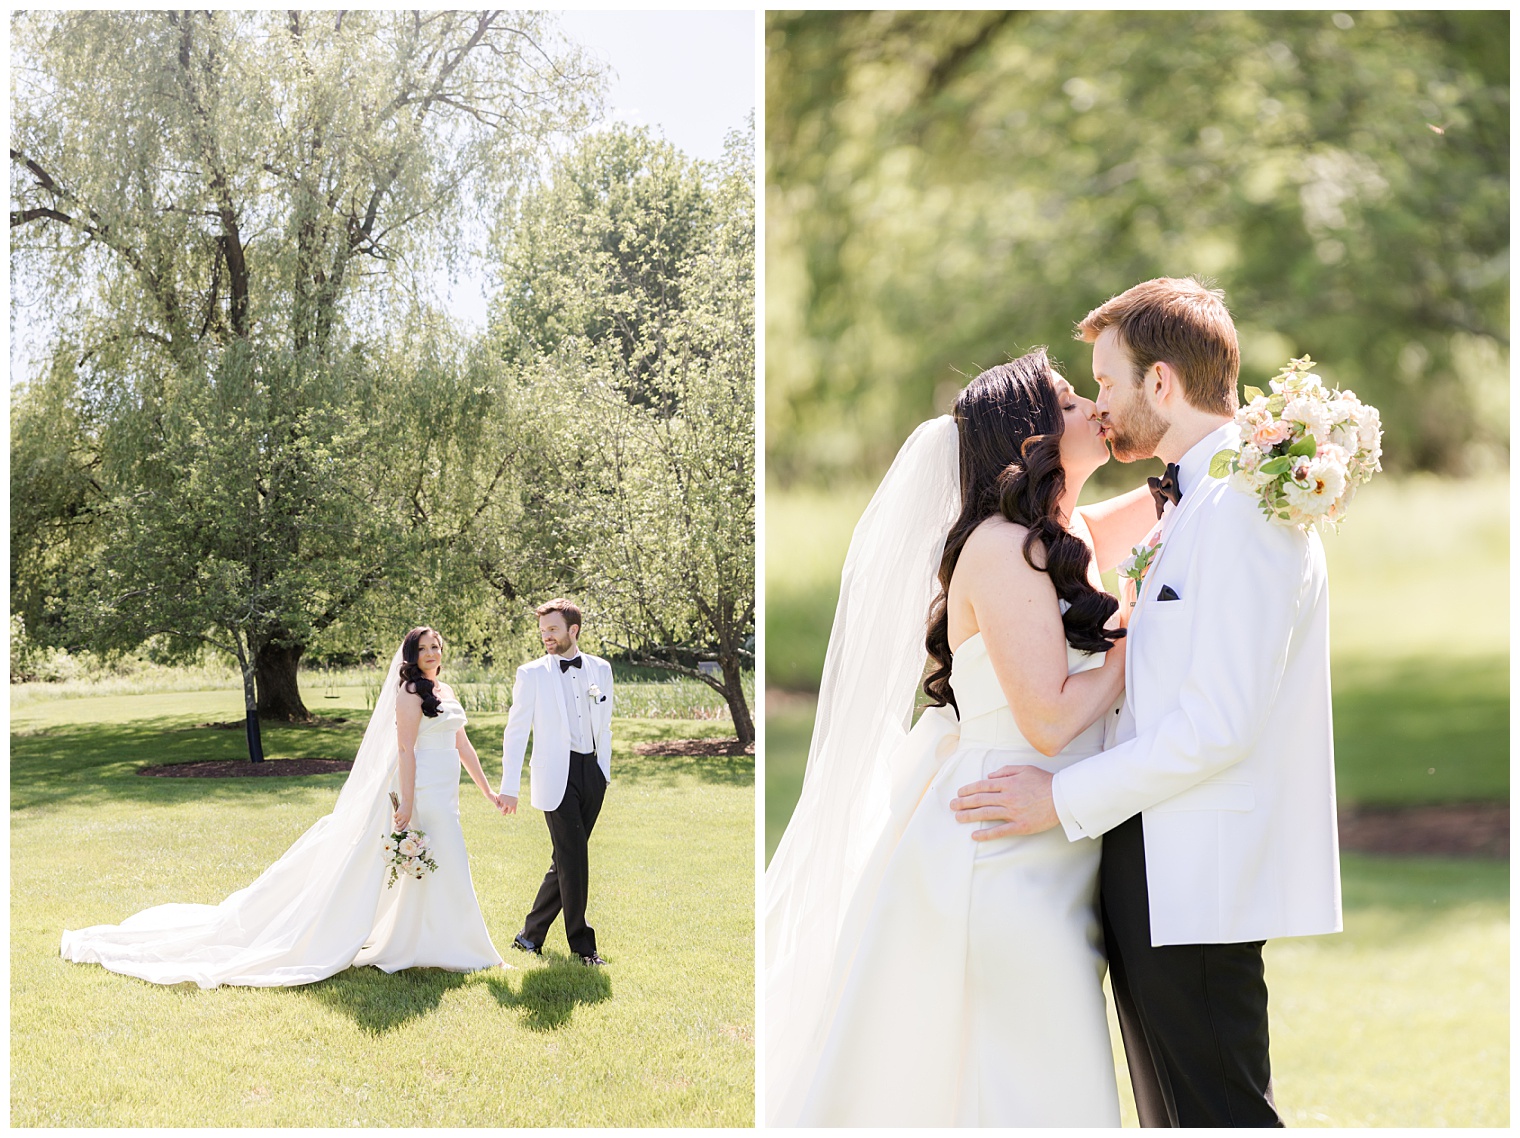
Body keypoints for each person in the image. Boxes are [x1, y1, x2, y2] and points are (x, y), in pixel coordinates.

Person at [951, 278, 1341, 1126]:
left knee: (1220, 1114)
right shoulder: (1196, 500)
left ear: (1160, 383)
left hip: (1193, 876)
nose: (1101, 403)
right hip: (1153, 867)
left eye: (1108, 383)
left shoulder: (1242, 508)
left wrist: (1057, 797)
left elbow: (1218, 725)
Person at [765, 348, 1157, 1126]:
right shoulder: (1000, 549)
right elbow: (1046, 719)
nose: (1093, 408)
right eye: (1072, 400)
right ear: (1032, 440)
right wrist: (1133, 643)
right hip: (1000, 846)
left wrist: (1246, 450)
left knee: (1027, 1072)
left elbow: (1156, 503)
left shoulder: (1059, 529)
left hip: (1048, 840)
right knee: (1024, 1078)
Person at [59, 626, 504, 987]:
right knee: (438, 860)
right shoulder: (408, 692)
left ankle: (432, 942)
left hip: (446, 794)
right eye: (423, 647)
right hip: (421, 790)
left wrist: (486, 789)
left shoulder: (444, 689)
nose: (431, 652)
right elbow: (405, 751)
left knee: (440, 863)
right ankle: (458, 949)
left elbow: (461, 742)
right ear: (410, 654)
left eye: (436, 646)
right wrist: (406, 803)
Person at [499, 598, 614, 967]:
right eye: (543, 630)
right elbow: (516, 732)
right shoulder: (532, 674)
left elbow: (605, 723)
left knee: (565, 859)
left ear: (573, 630)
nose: (546, 636)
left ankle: (529, 936)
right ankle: (583, 946)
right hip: (556, 776)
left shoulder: (601, 668)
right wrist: (509, 787)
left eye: (553, 629)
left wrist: (603, 771)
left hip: (592, 773)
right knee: (575, 858)